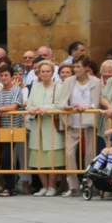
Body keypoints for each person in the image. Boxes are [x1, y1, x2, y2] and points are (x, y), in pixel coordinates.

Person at [59, 57, 102, 197]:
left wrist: (87, 108)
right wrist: (69, 107)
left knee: (90, 154)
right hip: (72, 122)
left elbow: (96, 102)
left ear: (86, 67)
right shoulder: (68, 81)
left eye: (79, 66)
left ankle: (89, 184)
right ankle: (73, 186)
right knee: (69, 154)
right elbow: (62, 102)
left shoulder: (95, 81)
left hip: (89, 121)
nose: (76, 69)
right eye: (74, 66)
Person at [26, 61, 64, 197]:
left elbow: (60, 105)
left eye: (48, 71)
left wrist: (45, 108)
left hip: (51, 125)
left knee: (53, 157)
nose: (45, 74)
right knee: (38, 157)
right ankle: (44, 186)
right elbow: (29, 104)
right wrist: (32, 109)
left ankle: (52, 186)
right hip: (37, 125)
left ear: (52, 73)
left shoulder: (59, 87)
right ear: (38, 73)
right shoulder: (35, 87)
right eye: (43, 71)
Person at [0, 65, 25, 197]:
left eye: (6, 75)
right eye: (1, 75)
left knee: (6, 156)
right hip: (1, 128)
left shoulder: (16, 89)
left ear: (11, 76)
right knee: (5, 157)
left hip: (13, 127)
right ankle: (10, 182)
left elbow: (13, 106)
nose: (4, 78)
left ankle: (9, 187)